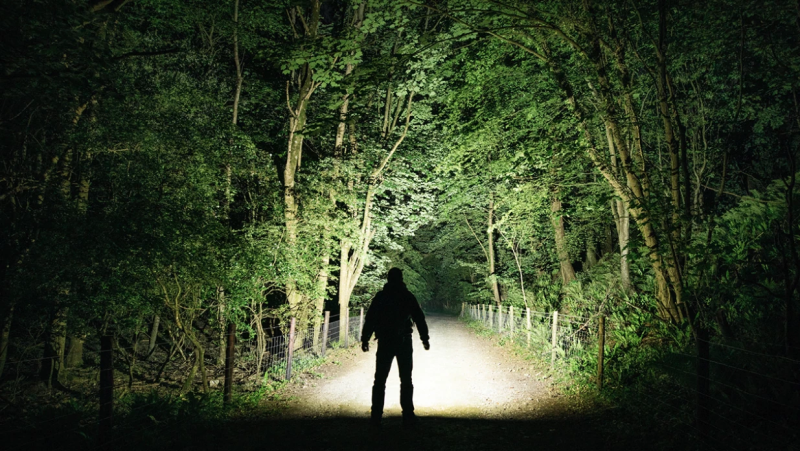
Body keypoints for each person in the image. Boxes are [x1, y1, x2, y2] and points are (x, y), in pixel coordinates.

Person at [360, 267, 430, 428]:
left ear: (388, 278)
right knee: (406, 379)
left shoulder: (381, 297)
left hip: (385, 341)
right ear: (401, 278)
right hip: (404, 341)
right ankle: (408, 416)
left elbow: (371, 318)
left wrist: (365, 339)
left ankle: (376, 416)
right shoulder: (407, 296)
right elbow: (419, 318)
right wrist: (424, 338)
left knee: (380, 380)